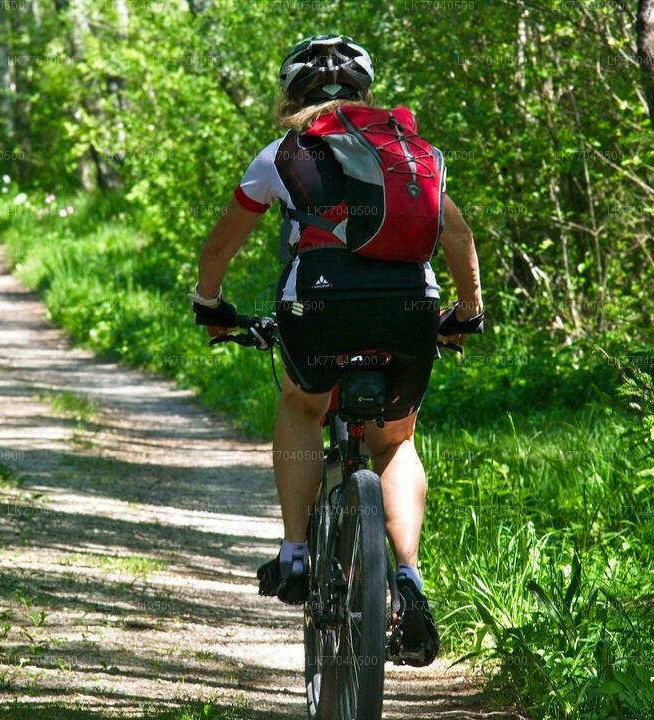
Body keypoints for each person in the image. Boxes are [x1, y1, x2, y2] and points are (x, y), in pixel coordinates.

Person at [190, 35, 484, 666]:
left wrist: (210, 307)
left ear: (291, 96)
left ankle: (295, 554)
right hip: (410, 311)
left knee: (301, 407)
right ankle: (409, 577)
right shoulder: (410, 152)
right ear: (364, 93)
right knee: (395, 442)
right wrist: (466, 315)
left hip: (318, 312)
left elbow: (219, 248)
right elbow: (456, 234)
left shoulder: (282, 154)